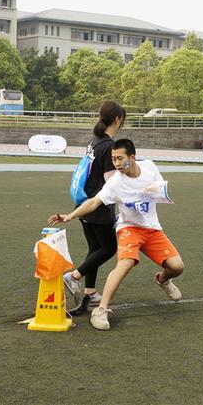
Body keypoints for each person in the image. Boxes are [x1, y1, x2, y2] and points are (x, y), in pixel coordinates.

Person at [48, 139, 184, 330]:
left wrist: (156, 193)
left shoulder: (150, 167)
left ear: (132, 157)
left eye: (120, 159)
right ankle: (101, 311)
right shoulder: (115, 183)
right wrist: (70, 215)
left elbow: (159, 188)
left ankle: (163, 280)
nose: (117, 164)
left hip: (152, 228)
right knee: (125, 264)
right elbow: (94, 202)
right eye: (114, 160)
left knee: (177, 267)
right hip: (129, 228)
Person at [58, 101, 125, 313]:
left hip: (84, 202)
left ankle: (90, 292)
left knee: (95, 248)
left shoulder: (95, 141)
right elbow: (110, 180)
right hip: (98, 204)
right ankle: (74, 276)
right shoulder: (108, 145)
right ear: (117, 120)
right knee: (109, 248)